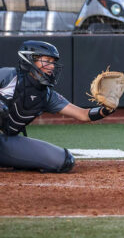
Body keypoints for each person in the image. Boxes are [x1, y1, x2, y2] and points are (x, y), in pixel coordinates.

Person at [0, 40, 116, 173]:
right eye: (47, 60)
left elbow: (83, 115)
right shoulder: (9, 76)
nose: (51, 66)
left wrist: (106, 109)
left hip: (5, 142)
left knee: (64, 161)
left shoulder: (47, 95)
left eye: (53, 62)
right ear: (30, 59)